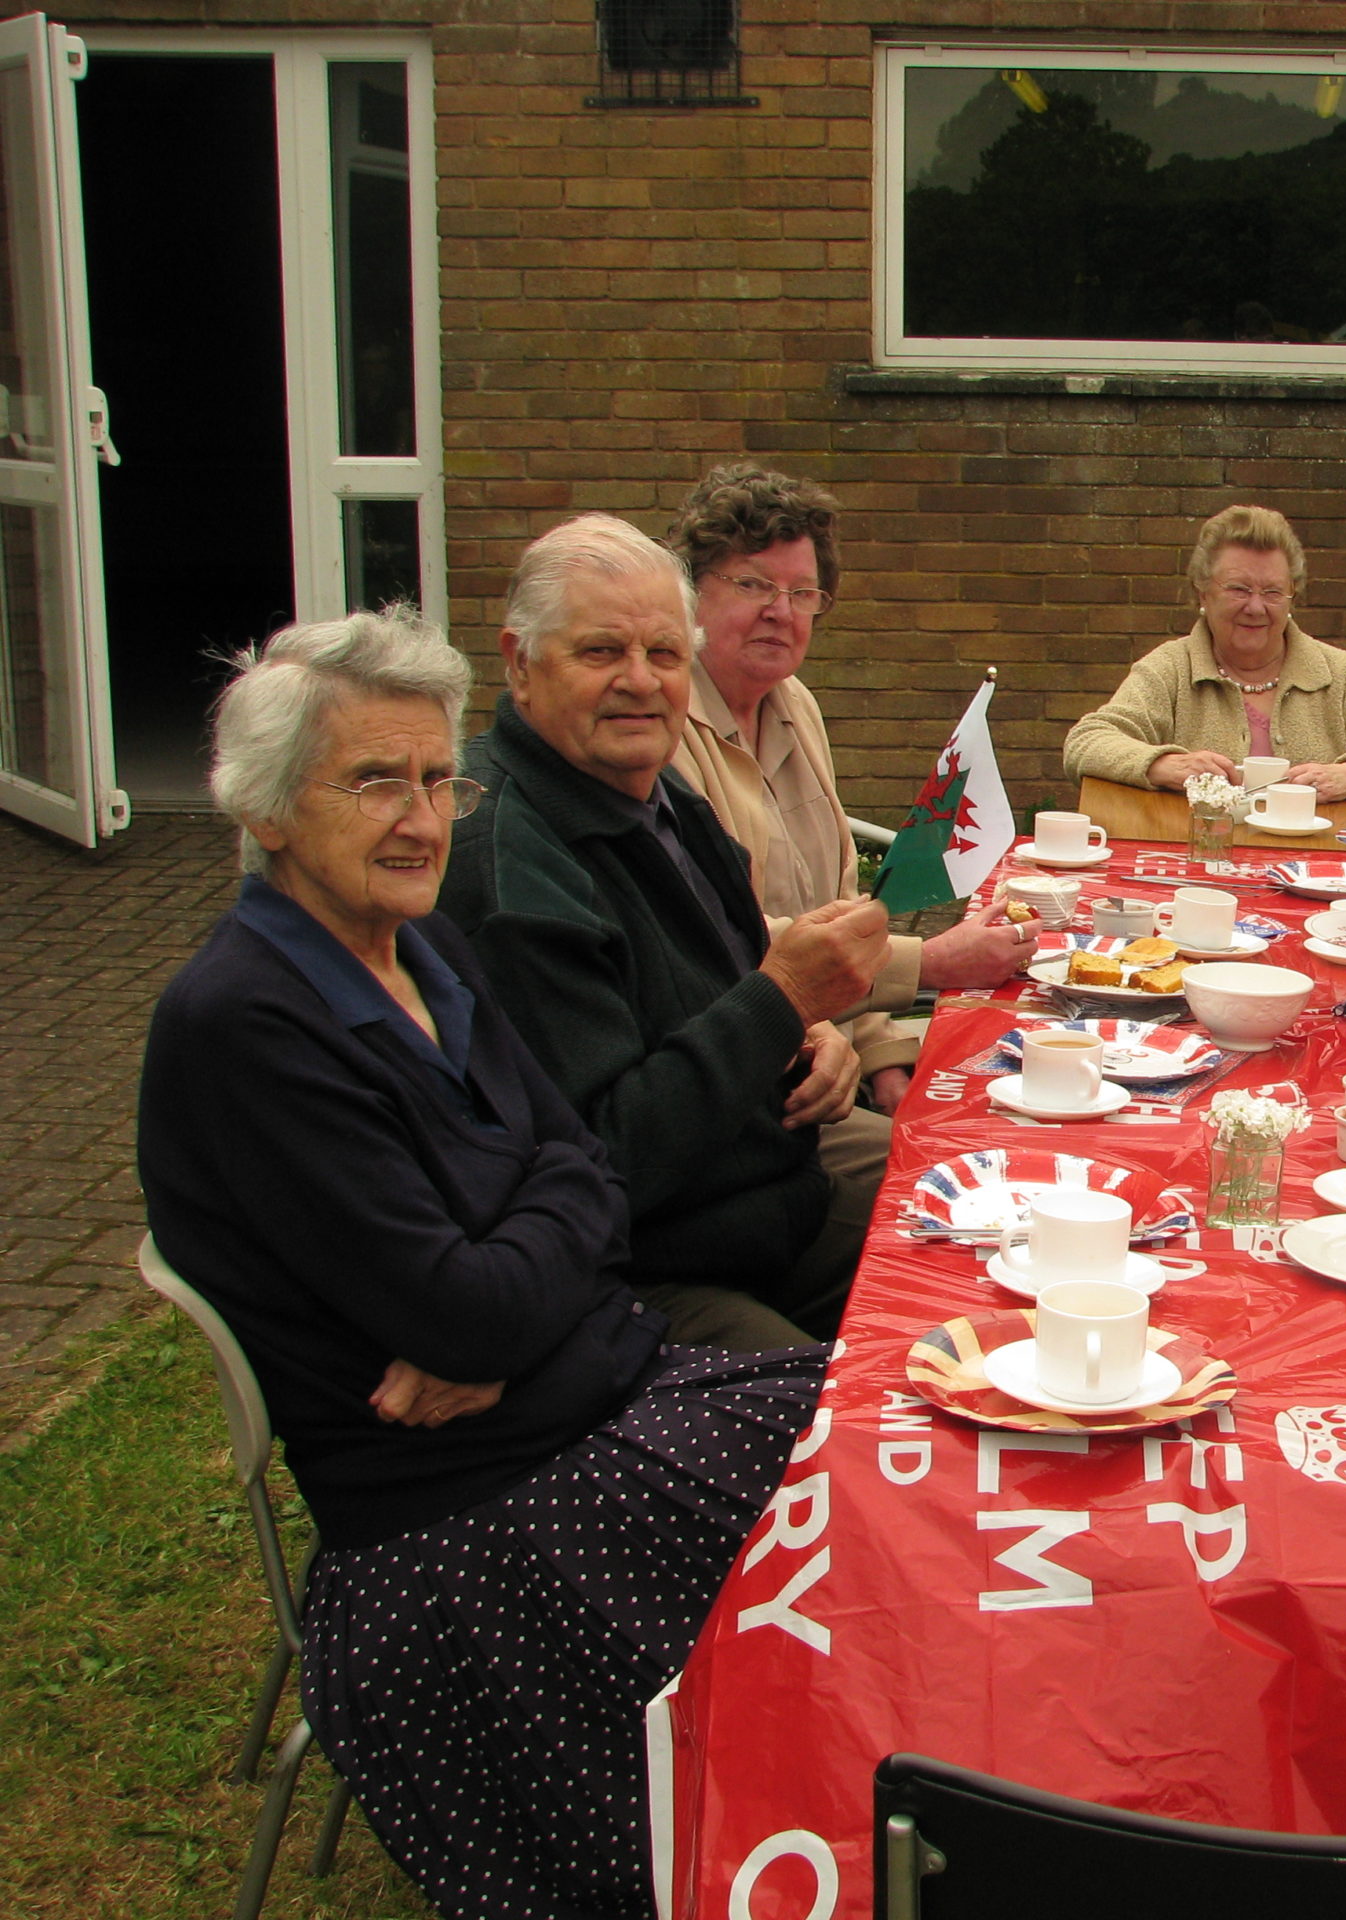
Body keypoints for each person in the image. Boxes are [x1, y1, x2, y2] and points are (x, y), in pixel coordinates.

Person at [136, 608, 825, 1920]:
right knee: (840, 1525)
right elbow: (476, 1294)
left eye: (435, 780)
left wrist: (516, 1287)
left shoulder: (425, 951)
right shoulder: (245, 1027)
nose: (419, 820)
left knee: (872, 1424)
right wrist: (520, 1279)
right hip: (465, 1533)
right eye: (372, 782)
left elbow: (584, 1181)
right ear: (268, 811)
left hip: (589, 1405)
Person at [439, 514, 890, 1348]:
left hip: (767, 1192)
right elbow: (603, 1161)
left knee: (987, 1229)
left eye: (664, 655)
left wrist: (808, 1032)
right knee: (839, 1441)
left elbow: (725, 987)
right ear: (518, 663)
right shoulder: (508, 867)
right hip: (639, 1273)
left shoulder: (652, 792)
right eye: (601, 652)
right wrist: (781, 1001)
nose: (641, 683)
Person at [660, 461, 1030, 1118]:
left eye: (803, 593)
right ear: (691, 593)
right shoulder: (660, 730)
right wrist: (930, 962)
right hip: (750, 1087)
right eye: (753, 584)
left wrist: (884, 1060)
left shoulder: (795, 705)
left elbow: (841, 903)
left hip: (832, 1052)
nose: (781, 612)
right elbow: (724, 939)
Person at [1062, 503, 1346, 800]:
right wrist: (1164, 765)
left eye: (1272, 592)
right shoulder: (1169, 669)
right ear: (1203, 592)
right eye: (1239, 589)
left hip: (1321, 877)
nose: (1256, 607)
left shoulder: (1341, 673)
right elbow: (1087, 742)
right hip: (1196, 877)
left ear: (1292, 596)